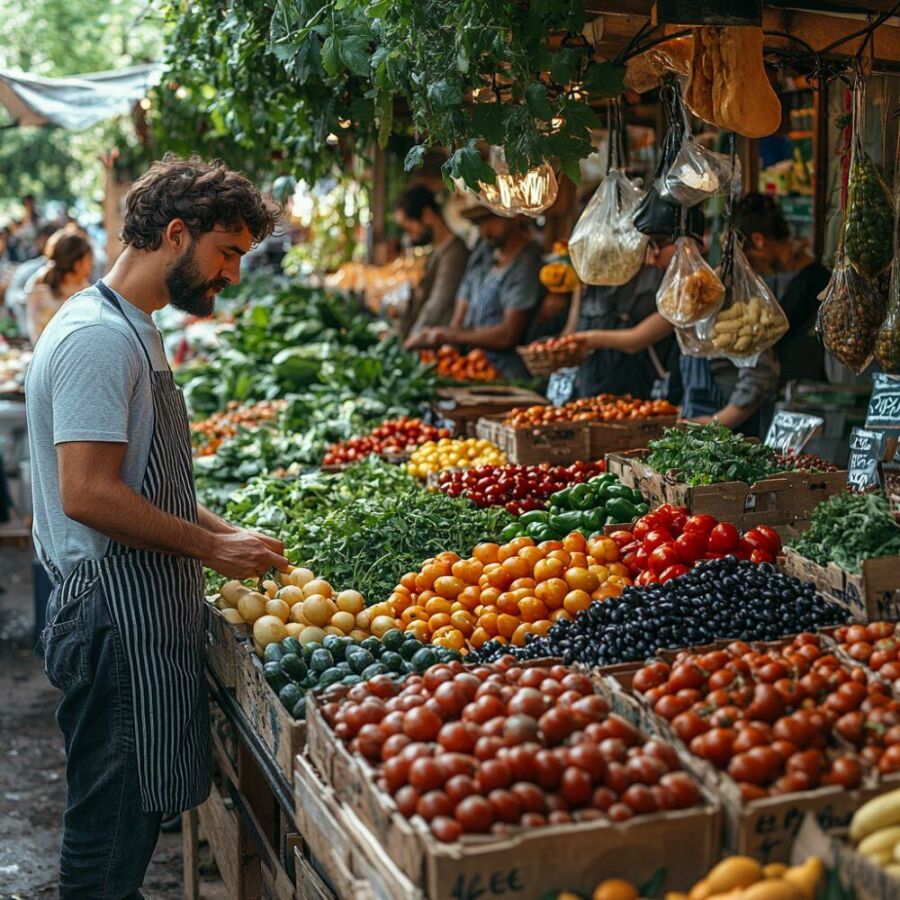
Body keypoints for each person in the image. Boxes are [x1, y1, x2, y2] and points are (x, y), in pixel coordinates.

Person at [25, 154, 289, 898]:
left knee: (125, 832)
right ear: (176, 234)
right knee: (106, 844)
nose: (233, 273)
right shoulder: (97, 340)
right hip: (113, 617)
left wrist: (227, 534)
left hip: (132, 608)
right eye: (227, 252)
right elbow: (89, 494)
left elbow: (143, 480)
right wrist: (208, 547)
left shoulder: (129, 326)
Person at [406, 206, 543, 380]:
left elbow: (507, 335)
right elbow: (460, 314)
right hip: (471, 364)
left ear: (514, 218)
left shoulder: (527, 262)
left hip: (505, 371)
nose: (486, 229)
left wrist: (445, 335)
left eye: (492, 220)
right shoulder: (483, 254)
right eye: (481, 222)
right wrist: (449, 355)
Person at [567, 237, 681, 402]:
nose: (651, 258)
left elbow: (637, 340)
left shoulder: (663, 280)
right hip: (591, 382)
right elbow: (572, 326)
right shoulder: (586, 281)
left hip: (639, 385)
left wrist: (590, 339)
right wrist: (557, 349)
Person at [733, 192, 830, 386]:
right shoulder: (788, 280)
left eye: (747, 258)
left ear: (758, 240)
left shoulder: (812, 282)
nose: (750, 268)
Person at [395, 185, 469, 339]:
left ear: (427, 215)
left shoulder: (454, 254)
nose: (410, 236)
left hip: (443, 344)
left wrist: (410, 339)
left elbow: (438, 305)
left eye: (409, 228)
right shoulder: (437, 252)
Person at [25, 230, 94, 343]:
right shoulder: (40, 285)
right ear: (77, 264)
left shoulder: (86, 290)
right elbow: (37, 333)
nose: (92, 264)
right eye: (89, 259)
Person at [5, 222, 59, 333]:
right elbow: (12, 297)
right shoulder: (29, 269)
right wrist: (36, 298)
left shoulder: (67, 273)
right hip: (28, 330)